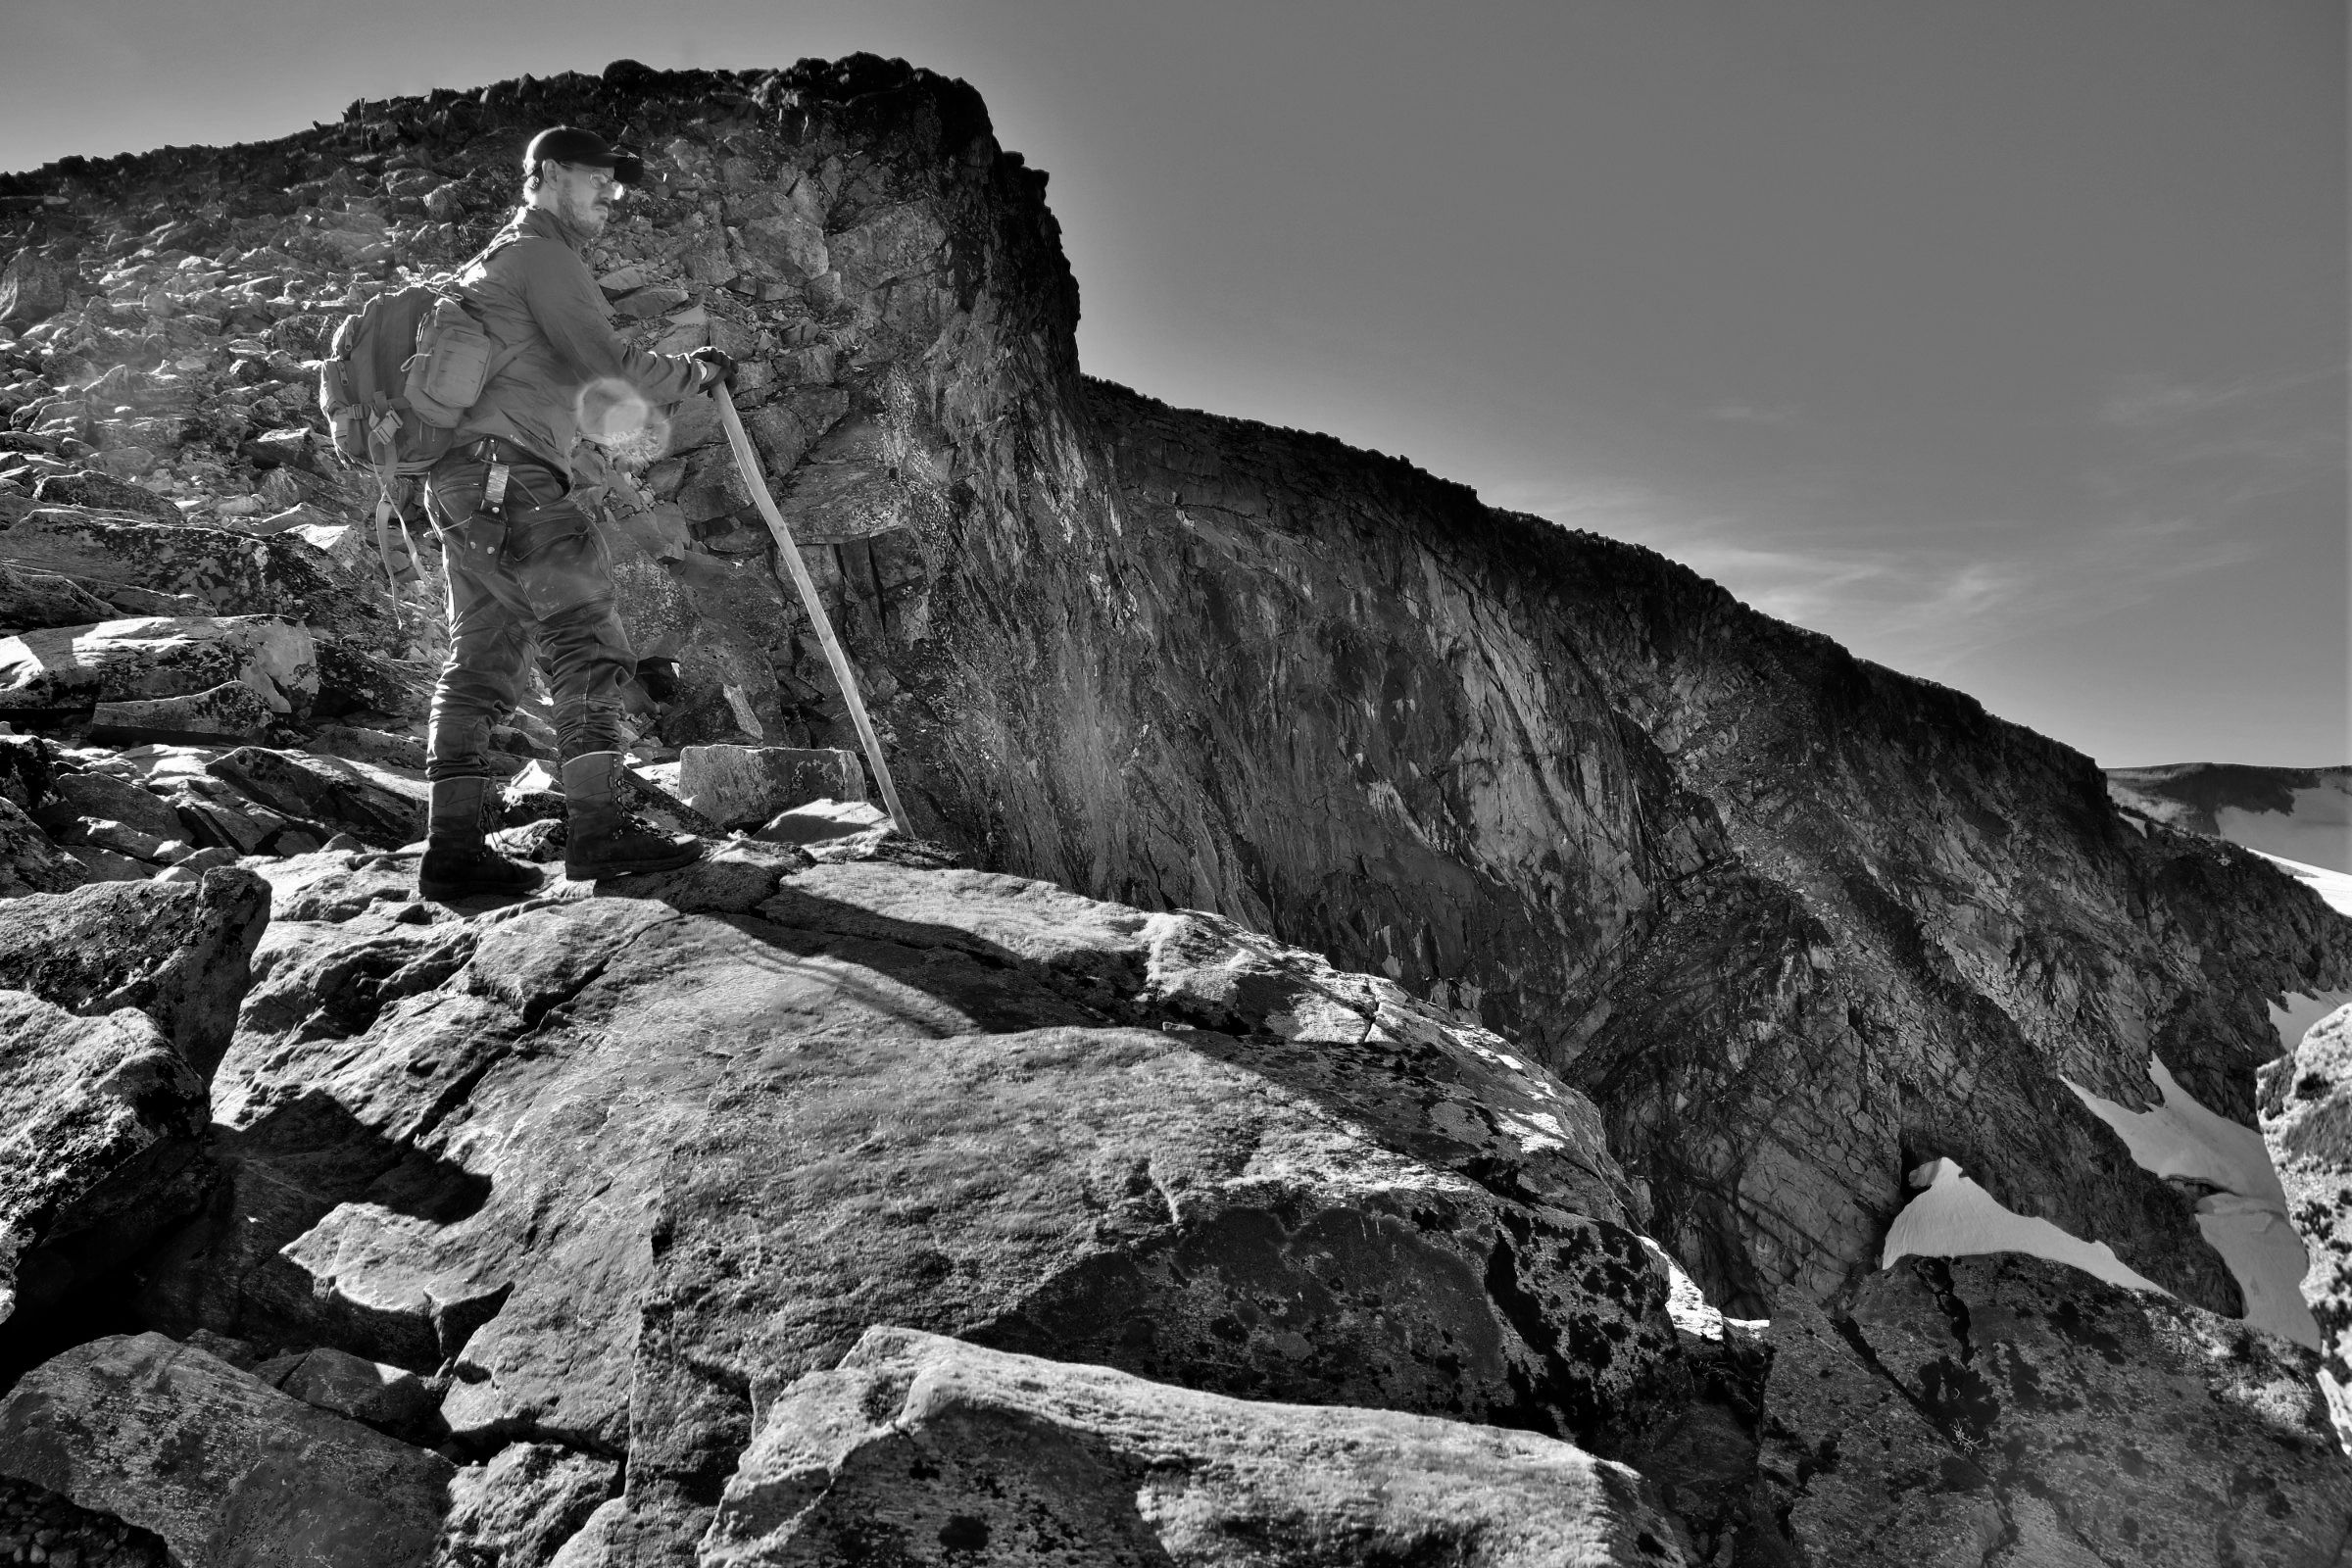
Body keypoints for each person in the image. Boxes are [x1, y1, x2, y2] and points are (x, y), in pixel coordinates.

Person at [416, 125, 736, 900]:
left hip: (464, 487)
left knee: (481, 660)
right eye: (600, 180)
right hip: (514, 479)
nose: (611, 196)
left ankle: (452, 850)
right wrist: (694, 373)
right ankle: (599, 827)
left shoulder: (491, 261)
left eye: (617, 187)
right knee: (584, 637)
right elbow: (607, 363)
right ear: (551, 175)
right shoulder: (542, 256)